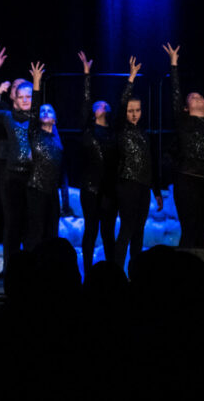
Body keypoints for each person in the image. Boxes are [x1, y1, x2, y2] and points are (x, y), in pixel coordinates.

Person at [0, 46, 44, 272]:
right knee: (12, 224)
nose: (25, 100)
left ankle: (33, 268)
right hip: (11, 177)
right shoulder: (7, 116)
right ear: (14, 99)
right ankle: (11, 268)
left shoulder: (39, 117)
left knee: (33, 224)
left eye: (29, 97)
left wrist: (37, 83)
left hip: (34, 177)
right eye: (21, 97)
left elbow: (37, 105)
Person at [162, 43, 204, 249]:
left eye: (200, 97)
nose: (198, 98)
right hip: (187, 180)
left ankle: (203, 267)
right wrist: (174, 64)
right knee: (189, 230)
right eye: (192, 97)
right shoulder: (183, 121)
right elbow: (175, 94)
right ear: (185, 107)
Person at [112, 56, 163, 270]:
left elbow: (151, 163)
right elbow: (122, 104)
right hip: (127, 184)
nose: (134, 114)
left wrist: (156, 191)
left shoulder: (144, 134)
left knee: (139, 231)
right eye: (130, 111)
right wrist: (131, 78)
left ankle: (135, 272)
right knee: (127, 229)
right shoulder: (121, 129)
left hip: (143, 186)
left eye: (137, 110)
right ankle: (116, 272)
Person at [77, 51, 119, 274]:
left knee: (108, 232)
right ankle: (88, 273)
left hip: (109, 190)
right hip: (91, 188)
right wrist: (87, 74)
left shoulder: (114, 133)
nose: (101, 106)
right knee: (91, 230)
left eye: (105, 104)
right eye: (98, 104)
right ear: (93, 112)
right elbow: (85, 102)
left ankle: (111, 272)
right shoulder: (88, 129)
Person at [25, 102, 63, 251]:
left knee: (52, 232)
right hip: (36, 189)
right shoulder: (35, 133)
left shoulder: (57, 140)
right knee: (36, 232)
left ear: (55, 119)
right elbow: (33, 113)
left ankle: (49, 262)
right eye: (43, 111)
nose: (46, 112)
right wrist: (36, 88)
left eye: (49, 111)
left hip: (52, 192)